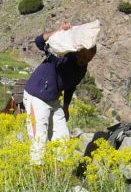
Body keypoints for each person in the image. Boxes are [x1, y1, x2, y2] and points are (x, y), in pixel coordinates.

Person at [23, 23, 97, 163]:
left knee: (62, 138)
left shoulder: (82, 68)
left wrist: (66, 107)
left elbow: (70, 86)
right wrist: (58, 32)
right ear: (78, 51)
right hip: (36, 95)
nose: (85, 61)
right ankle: (37, 171)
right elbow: (39, 41)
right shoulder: (63, 53)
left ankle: (58, 171)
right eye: (84, 57)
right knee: (39, 137)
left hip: (53, 99)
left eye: (88, 59)